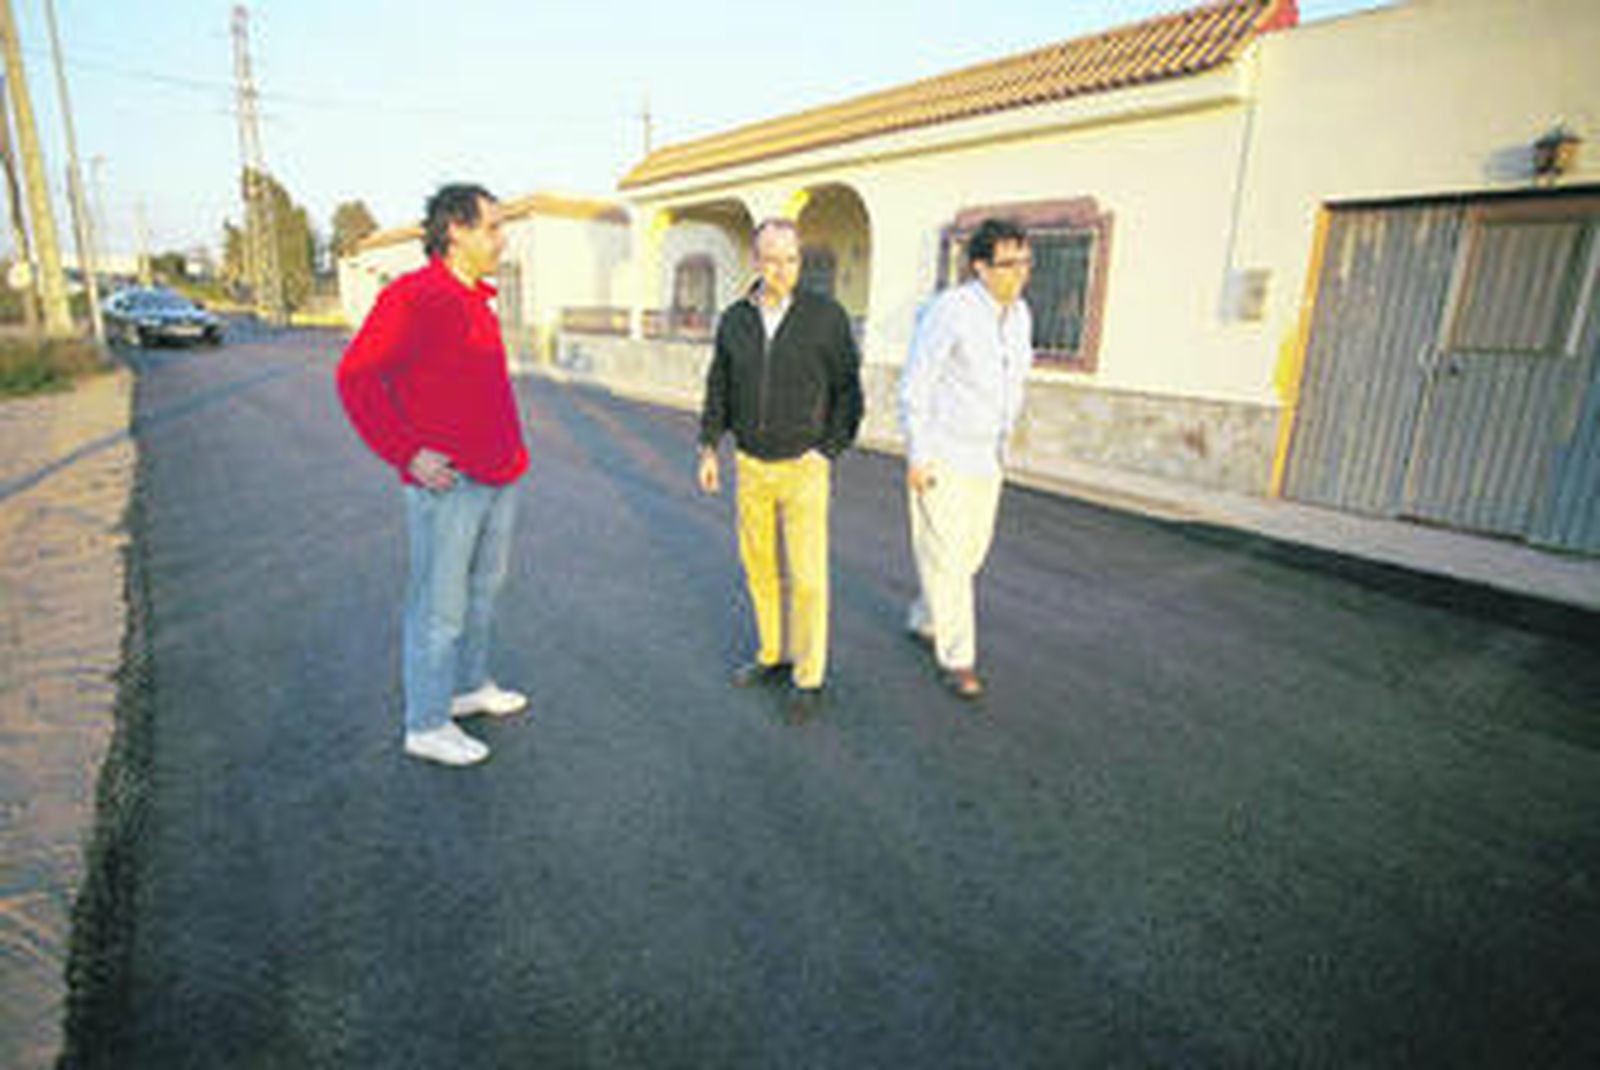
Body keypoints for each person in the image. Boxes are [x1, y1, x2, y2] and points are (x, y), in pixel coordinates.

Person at [337, 183, 529, 766]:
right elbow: (356, 378)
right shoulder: (413, 296)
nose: (502, 237)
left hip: (500, 475)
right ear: (456, 232)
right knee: (438, 606)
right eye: (492, 227)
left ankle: (468, 688)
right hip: (448, 485)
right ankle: (425, 722)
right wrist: (406, 452)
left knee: (483, 593)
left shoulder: (477, 298)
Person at [697, 218, 863, 720]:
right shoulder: (735, 319)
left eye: (791, 259)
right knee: (760, 569)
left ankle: (808, 676)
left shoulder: (825, 317)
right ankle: (773, 653)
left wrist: (826, 450)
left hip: (804, 466)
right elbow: (719, 386)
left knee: (808, 577)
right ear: (756, 260)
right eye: (772, 260)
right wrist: (709, 446)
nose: (782, 270)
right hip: (751, 464)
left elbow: (849, 393)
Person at [898, 217, 1034, 700]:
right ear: (980, 266)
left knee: (970, 553)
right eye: (1009, 264)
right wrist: (918, 452)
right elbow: (916, 384)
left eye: (1025, 261)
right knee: (951, 559)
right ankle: (958, 659)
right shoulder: (951, 310)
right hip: (943, 455)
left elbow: (1014, 384)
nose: (1020, 273)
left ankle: (926, 615)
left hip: (987, 458)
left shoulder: (1021, 317)